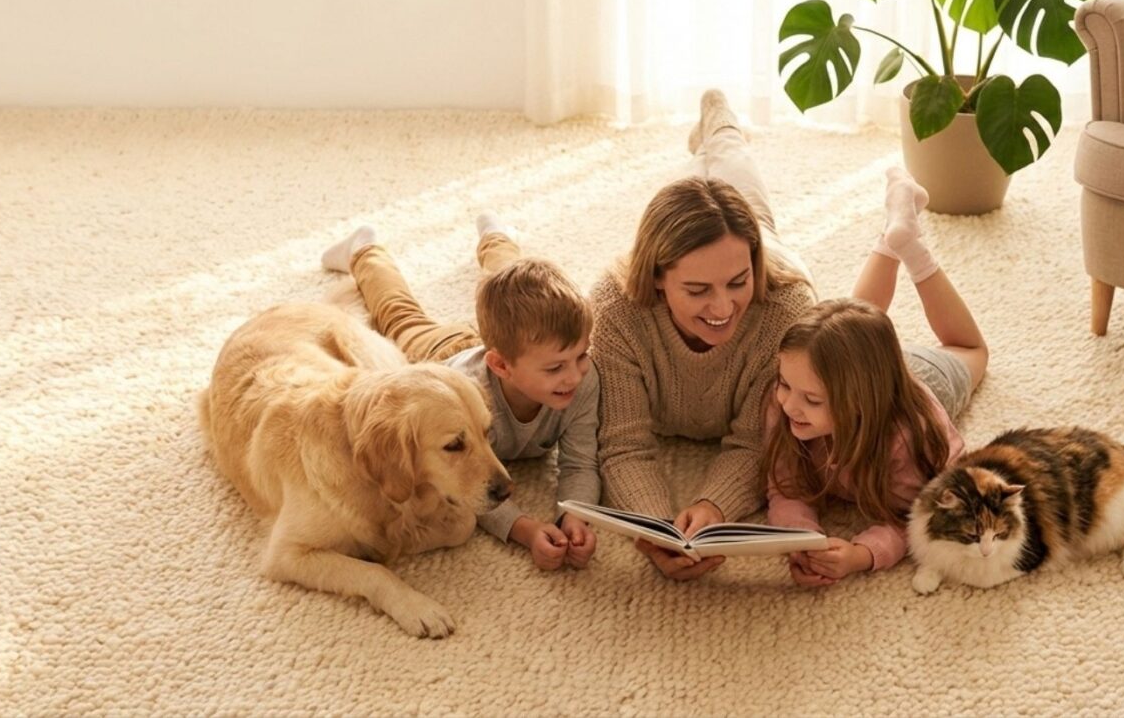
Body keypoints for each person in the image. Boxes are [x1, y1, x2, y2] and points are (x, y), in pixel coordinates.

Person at [589, 90, 817, 581]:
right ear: (656, 277)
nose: (722, 307)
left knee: (740, 182)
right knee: (713, 180)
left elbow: (758, 443)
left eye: (737, 283)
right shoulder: (614, 313)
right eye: (697, 290)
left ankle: (721, 122)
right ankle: (714, 132)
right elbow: (623, 444)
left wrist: (714, 507)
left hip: (774, 255)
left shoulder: (787, 314)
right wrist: (652, 527)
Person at [319, 216, 600, 570]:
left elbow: (581, 461)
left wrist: (574, 516)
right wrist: (525, 530)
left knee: (514, 282)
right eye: (557, 368)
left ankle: (497, 236)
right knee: (399, 315)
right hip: (438, 357)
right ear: (501, 366)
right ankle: (363, 249)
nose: (575, 376)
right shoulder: (463, 410)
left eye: (582, 357)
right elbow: (462, 488)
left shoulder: (581, 379)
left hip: (512, 353)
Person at [764, 167, 989, 587]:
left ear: (862, 405)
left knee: (971, 348)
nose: (790, 405)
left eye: (812, 400)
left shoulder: (910, 437)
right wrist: (801, 538)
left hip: (931, 376)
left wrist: (863, 554)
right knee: (848, 327)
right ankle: (894, 232)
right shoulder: (790, 396)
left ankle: (912, 249)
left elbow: (918, 518)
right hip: (854, 364)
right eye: (784, 385)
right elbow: (785, 488)